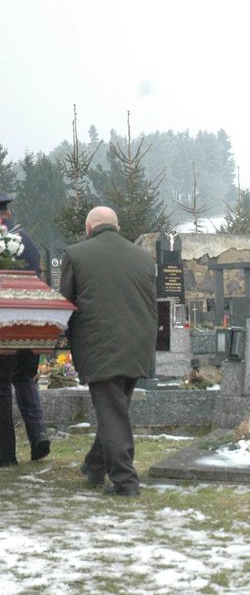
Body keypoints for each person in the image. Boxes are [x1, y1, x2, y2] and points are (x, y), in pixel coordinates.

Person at [59, 207, 156, 496]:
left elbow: (66, 303)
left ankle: (125, 481)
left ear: (89, 228)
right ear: (117, 227)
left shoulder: (76, 254)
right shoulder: (142, 256)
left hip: (101, 345)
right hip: (139, 345)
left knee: (113, 412)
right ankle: (94, 465)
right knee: (115, 409)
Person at [0, 195, 48, 467]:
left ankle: (5, 453)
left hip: (4, 322)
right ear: (9, 211)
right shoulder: (26, 240)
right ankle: (38, 433)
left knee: (2, 386)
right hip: (29, 319)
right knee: (25, 377)